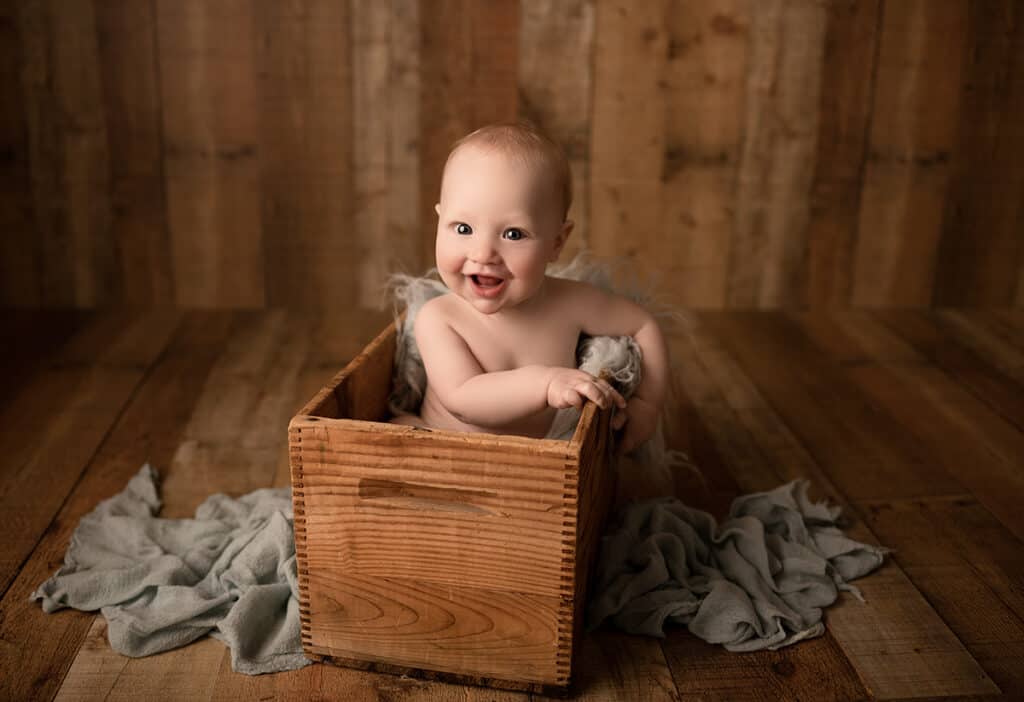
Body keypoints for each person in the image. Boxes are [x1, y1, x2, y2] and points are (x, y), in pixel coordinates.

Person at [391, 122, 669, 455]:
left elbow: (643, 325)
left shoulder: (570, 303)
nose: (482, 254)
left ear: (557, 242)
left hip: (542, 469)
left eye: (513, 234)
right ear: (439, 223)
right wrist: (547, 383)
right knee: (398, 435)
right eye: (463, 228)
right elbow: (464, 397)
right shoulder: (439, 317)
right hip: (449, 455)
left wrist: (647, 404)